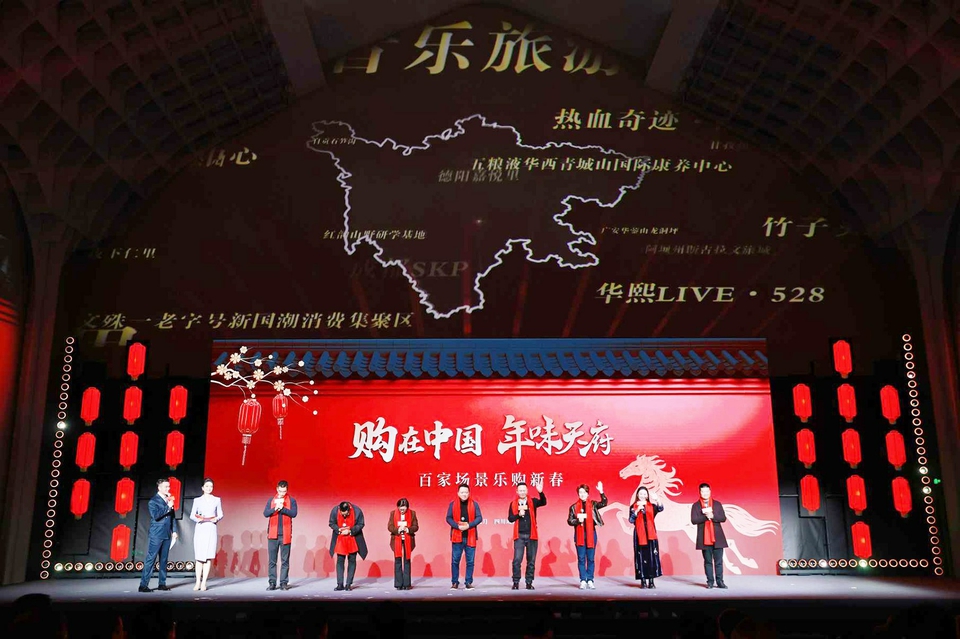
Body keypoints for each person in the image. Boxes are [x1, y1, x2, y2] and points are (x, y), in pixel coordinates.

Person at [139, 478, 179, 593]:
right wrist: (168, 507)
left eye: (168, 486)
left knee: (164, 559)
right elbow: (156, 516)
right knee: (151, 559)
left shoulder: (168, 500)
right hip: (156, 534)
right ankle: (143, 585)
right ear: (159, 488)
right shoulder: (153, 501)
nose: (168, 488)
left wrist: (174, 531)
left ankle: (162, 583)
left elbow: (172, 517)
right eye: (166, 486)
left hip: (167, 533)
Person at [507, 479, 547, 590]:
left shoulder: (532, 502)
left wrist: (540, 492)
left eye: (524, 490)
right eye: (520, 490)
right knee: (517, 560)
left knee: (531, 561)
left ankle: (529, 582)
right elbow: (510, 518)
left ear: (527, 490)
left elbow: (543, 502)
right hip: (519, 536)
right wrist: (518, 515)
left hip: (531, 535)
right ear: (517, 491)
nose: (522, 492)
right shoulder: (513, 504)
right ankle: (516, 582)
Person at [566, 481, 606, 590]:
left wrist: (601, 492)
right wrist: (577, 521)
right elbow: (569, 521)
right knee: (581, 559)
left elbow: (604, 503)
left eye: (584, 492)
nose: (582, 494)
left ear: (588, 494)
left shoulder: (593, 504)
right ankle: (583, 580)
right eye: (580, 492)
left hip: (591, 534)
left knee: (591, 559)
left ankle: (590, 580)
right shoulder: (574, 507)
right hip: (579, 535)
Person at [445, 483, 483, 590]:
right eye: (462, 492)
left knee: (470, 562)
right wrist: (457, 526)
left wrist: (468, 526)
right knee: (455, 561)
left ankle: (468, 582)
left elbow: (479, 518)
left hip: (470, 536)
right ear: (458, 493)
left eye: (466, 492)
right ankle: (454, 582)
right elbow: (448, 518)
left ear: (469, 493)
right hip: (457, 536)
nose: (464, 494)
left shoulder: (474, 504)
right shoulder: (452, 504)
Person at [691, 482, 728, 589]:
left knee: (719, 562)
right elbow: (694, 520)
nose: (705, 493)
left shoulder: (717, 504)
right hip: (704, 538)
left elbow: (723, 518)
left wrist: (713, 516)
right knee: (708, 562)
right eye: (703, 491)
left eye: (707, 491)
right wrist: (705, 517)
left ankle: (720, 581)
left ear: (710, 491)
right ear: (700, 492)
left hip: (717, 537)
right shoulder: (696, 505)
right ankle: (710, 582)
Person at [189, 477, 223, 591]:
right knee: (199, 557)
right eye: (207, 486)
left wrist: (216, 518)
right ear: (202, 488)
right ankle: (197, 582)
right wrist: (198, 519)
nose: (209, 488)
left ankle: (204, 582)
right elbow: (192, 515)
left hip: (211, 528)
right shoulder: (197, 500)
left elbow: (220, 514)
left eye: (211, 486)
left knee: (208, 557)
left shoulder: (216, 500)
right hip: (201, 528)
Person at [263, 479, 298, 591]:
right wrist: (275, 509)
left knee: (285, 561)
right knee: (272, 561)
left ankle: (283, 583)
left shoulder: (291, 500)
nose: (282, 493)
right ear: (277, 489)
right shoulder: (271, 500)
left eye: (284, 491)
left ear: (287, 490)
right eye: (280, 491)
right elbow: (265, 513)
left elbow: (294, 513)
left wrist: (282, 509)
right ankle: (272, 583)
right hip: (272, 535)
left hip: (285, 534)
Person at [628, 485, 663, 588]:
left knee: (652, 557)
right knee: (641, 557)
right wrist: (637, 510)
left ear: (647, 495)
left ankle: (651, 581)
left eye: (644, 494)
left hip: (651, 535)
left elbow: (660, 508)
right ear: (637, 495)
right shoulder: (633, 506)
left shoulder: (651, 506)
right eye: (641, 494)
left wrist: (657, 499)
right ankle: (643, 580)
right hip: (639, 535)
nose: (642, 496)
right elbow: (631, 520)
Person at [328, 500, 367, 591]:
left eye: (346, 514)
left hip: (352, 538)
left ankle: (348, 584)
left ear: (349, 510)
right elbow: (331, 523)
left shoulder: (357, 511)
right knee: (340, 561)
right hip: (340, 539)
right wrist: (339, 529)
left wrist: (350, 531)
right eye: (342, 514)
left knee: (352, 561)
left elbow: (361, 524)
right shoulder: (335, 511)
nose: (344, 516)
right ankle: (340, 584)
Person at [387, 497, 419, 590]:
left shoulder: (412, 513)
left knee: (407, 560)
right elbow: (390, 526)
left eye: (404, 508)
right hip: (397, 539)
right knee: (398, 561)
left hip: (408, 540)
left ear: (407, 508)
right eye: (400, 508)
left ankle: (406, 584)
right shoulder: (393, 513)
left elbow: (416, 526)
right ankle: (398, 584)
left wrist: (408, 529)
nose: (402, 510)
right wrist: (398, 529)